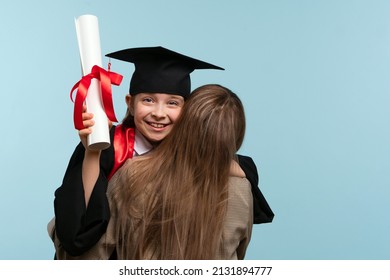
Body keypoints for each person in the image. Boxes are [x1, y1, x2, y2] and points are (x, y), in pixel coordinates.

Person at [49, 47, 274, 259]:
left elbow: (234, 166)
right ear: (130, 103)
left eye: (172, 103)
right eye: (148, 100)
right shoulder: (111, 147)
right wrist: (92, 152)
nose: (159, 113)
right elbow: (78, 234)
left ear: (186, 111)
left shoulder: (199, 157)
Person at [78, 84, 255, 259]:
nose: (159, 114)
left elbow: (89, 258)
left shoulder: (134, 175)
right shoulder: (242, 189)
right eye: (148, 100)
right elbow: (238, 255)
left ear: (183, 123)